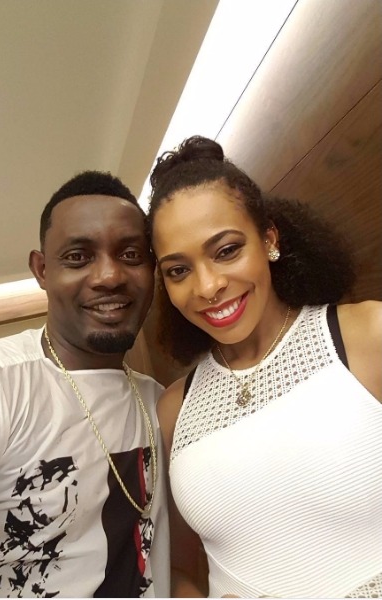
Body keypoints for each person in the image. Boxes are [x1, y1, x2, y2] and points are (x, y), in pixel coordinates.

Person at [0, 171, 170, 598]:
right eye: (78, 257)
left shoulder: (161, 404)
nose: (109, 276)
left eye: (131, 254)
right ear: (42, 270)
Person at [147, 135, 382, 599]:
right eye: (178, 270)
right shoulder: (173, 409)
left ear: (269, 239)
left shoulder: (368, 336)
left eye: (226, 250)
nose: (208, 286)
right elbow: (183, 571)